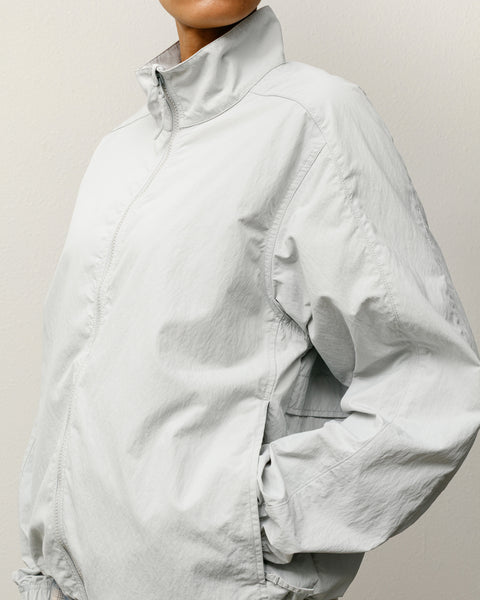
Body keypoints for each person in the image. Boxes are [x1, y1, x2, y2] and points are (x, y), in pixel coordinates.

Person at [12, 2, 480, 600]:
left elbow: (432, 389)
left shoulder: (314, 119)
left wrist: (247, 522)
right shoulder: (119, 151)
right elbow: (69, 393)